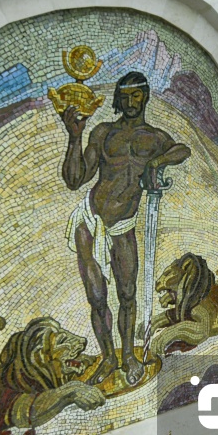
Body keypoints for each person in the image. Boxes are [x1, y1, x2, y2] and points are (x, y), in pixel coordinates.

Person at [59, 72, 191, 386]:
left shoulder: (155, 138)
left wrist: (156, 163)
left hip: (123, 226)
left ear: (145, 97)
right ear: (118, 99)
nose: (131, 102)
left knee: (128, 294)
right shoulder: (104, 133)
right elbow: (75, 179)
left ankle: (128, 355)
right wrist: (75, 137)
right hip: (90, 221)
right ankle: (108, 357)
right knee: (97, 298)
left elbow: (182, 150)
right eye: (125, 96)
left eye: (137, 96)